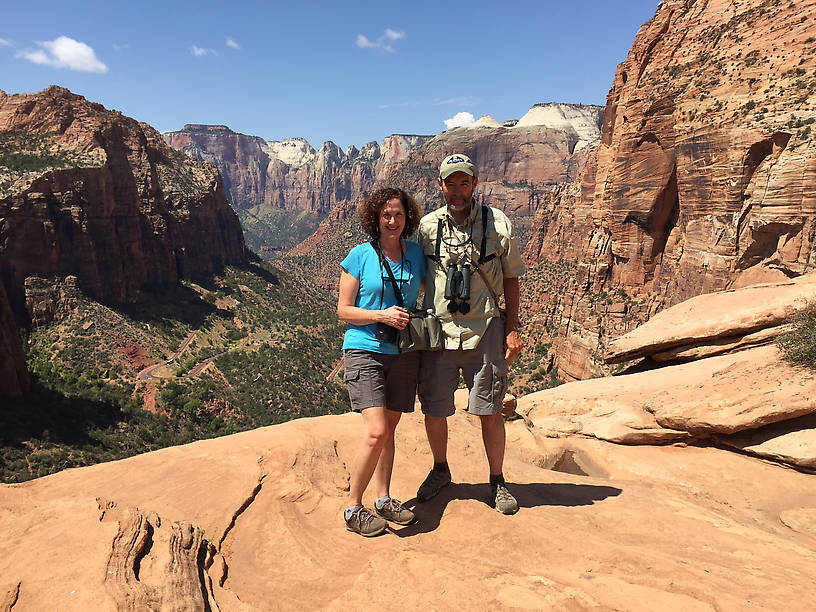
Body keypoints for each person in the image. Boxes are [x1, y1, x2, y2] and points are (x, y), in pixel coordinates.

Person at [416, 153, 525, 515]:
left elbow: (511, 277)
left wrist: (513, 328)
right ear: (440, 185)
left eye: (464, 182)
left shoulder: (498, 224)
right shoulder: (427, 227)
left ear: (475, 183)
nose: (457, 190)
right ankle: (440, 469)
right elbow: (412, 273)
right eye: (451, 183)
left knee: (490, 410)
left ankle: (497, 480)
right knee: (434, 408)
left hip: (486, 330)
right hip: (439, 331)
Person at [337, 187, 426, 536]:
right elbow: (343, 310)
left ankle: (384, 498)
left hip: (404, 354)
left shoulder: (416, 253)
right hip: (365, 350)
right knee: (376, 431)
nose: (392, 221)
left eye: (399, 215)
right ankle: (352, 507)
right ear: (375, 218)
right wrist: (382, 315)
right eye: (386, 215)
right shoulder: (359, 255)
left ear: (408, 219)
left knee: (389, 431)